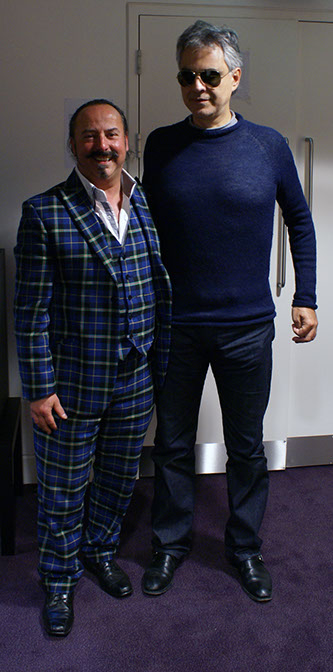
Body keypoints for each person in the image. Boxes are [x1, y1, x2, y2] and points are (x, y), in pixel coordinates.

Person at [141, 20, 318, 602]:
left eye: (210, 75)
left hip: (246, 327)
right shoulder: (162, 144)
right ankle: (169, 546)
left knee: (245, 446)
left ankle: (244, 549)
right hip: (176, 327)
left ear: (235, 78)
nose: (198, 86)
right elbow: (145, 227)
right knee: (171, 443)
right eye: (187, 76)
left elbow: (300, 220)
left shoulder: (267, 146)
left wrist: (306, 295)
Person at [14, 99, 171, 636]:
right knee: (62, 488)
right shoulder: (44, 211)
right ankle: (57, 581)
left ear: (128, 141)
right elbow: (30, 312)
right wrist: (38, 389)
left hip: (136, 375)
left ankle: (100, 550)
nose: (101, 146)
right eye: (88, 136)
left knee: (118, 476)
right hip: (72, 382)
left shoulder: (145, 201)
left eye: (111, 135)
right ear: (73, 144)